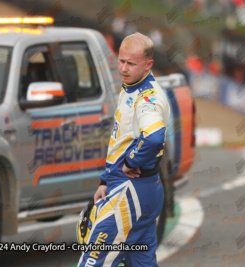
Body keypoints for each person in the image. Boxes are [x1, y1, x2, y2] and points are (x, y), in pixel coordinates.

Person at [77, 32, 170, 267]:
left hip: (131, 192)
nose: (123, 68)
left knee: (93, 261)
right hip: (141, 190)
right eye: (121, 61)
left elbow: (153, 138)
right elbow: (122, 140)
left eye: (131, 63)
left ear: (148, 64)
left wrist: (130, 163)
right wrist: (105, 181)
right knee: (141, 261)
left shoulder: (147, 97)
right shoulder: (130, 87)